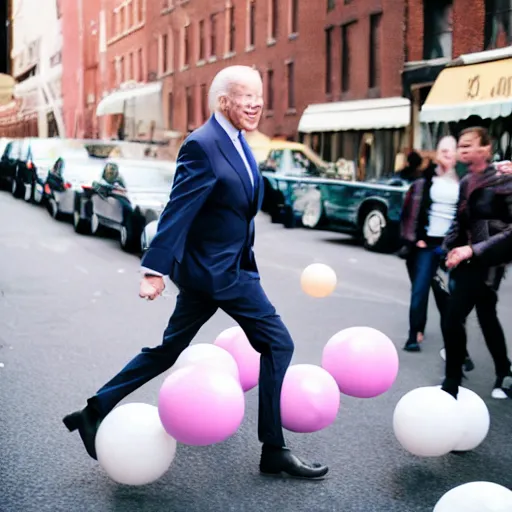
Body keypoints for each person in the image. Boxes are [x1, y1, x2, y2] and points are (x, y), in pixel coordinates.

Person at [63, 65, 328, 480]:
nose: (257, 103)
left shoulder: (238, 140)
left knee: (168, 349)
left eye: (259, 95)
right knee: (279, 345)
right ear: (224, 101)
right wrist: (154, 269)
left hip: (217, 270)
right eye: (246, 96)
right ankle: (273, 449)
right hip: (221, 275)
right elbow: (179, 209)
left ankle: (92, 411)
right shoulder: (202, 144)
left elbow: (235, 200)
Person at [440, 126, 512, 400]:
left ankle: (452, 382)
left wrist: (473, 250)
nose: (463, 150)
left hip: (491, 260)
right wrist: (447, 247)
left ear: (486, 148)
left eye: (470, 145)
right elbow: (460, 220)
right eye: (461, 145)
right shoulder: (467, 180)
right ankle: (503, 372)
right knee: (485, 316)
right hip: (468, 258)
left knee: (454, 317)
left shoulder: (504, 178)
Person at [399, 137, 474, 372]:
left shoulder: (464, 181)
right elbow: (411, 209)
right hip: (427, 245)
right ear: (438, 154)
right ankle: (414, 334)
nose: (447, 154)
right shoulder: (426, 179)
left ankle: (459, 350)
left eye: (451, 150)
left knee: (449, 300)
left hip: (451, 246)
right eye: (443, 150)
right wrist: (416, 237)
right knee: (420, 290)